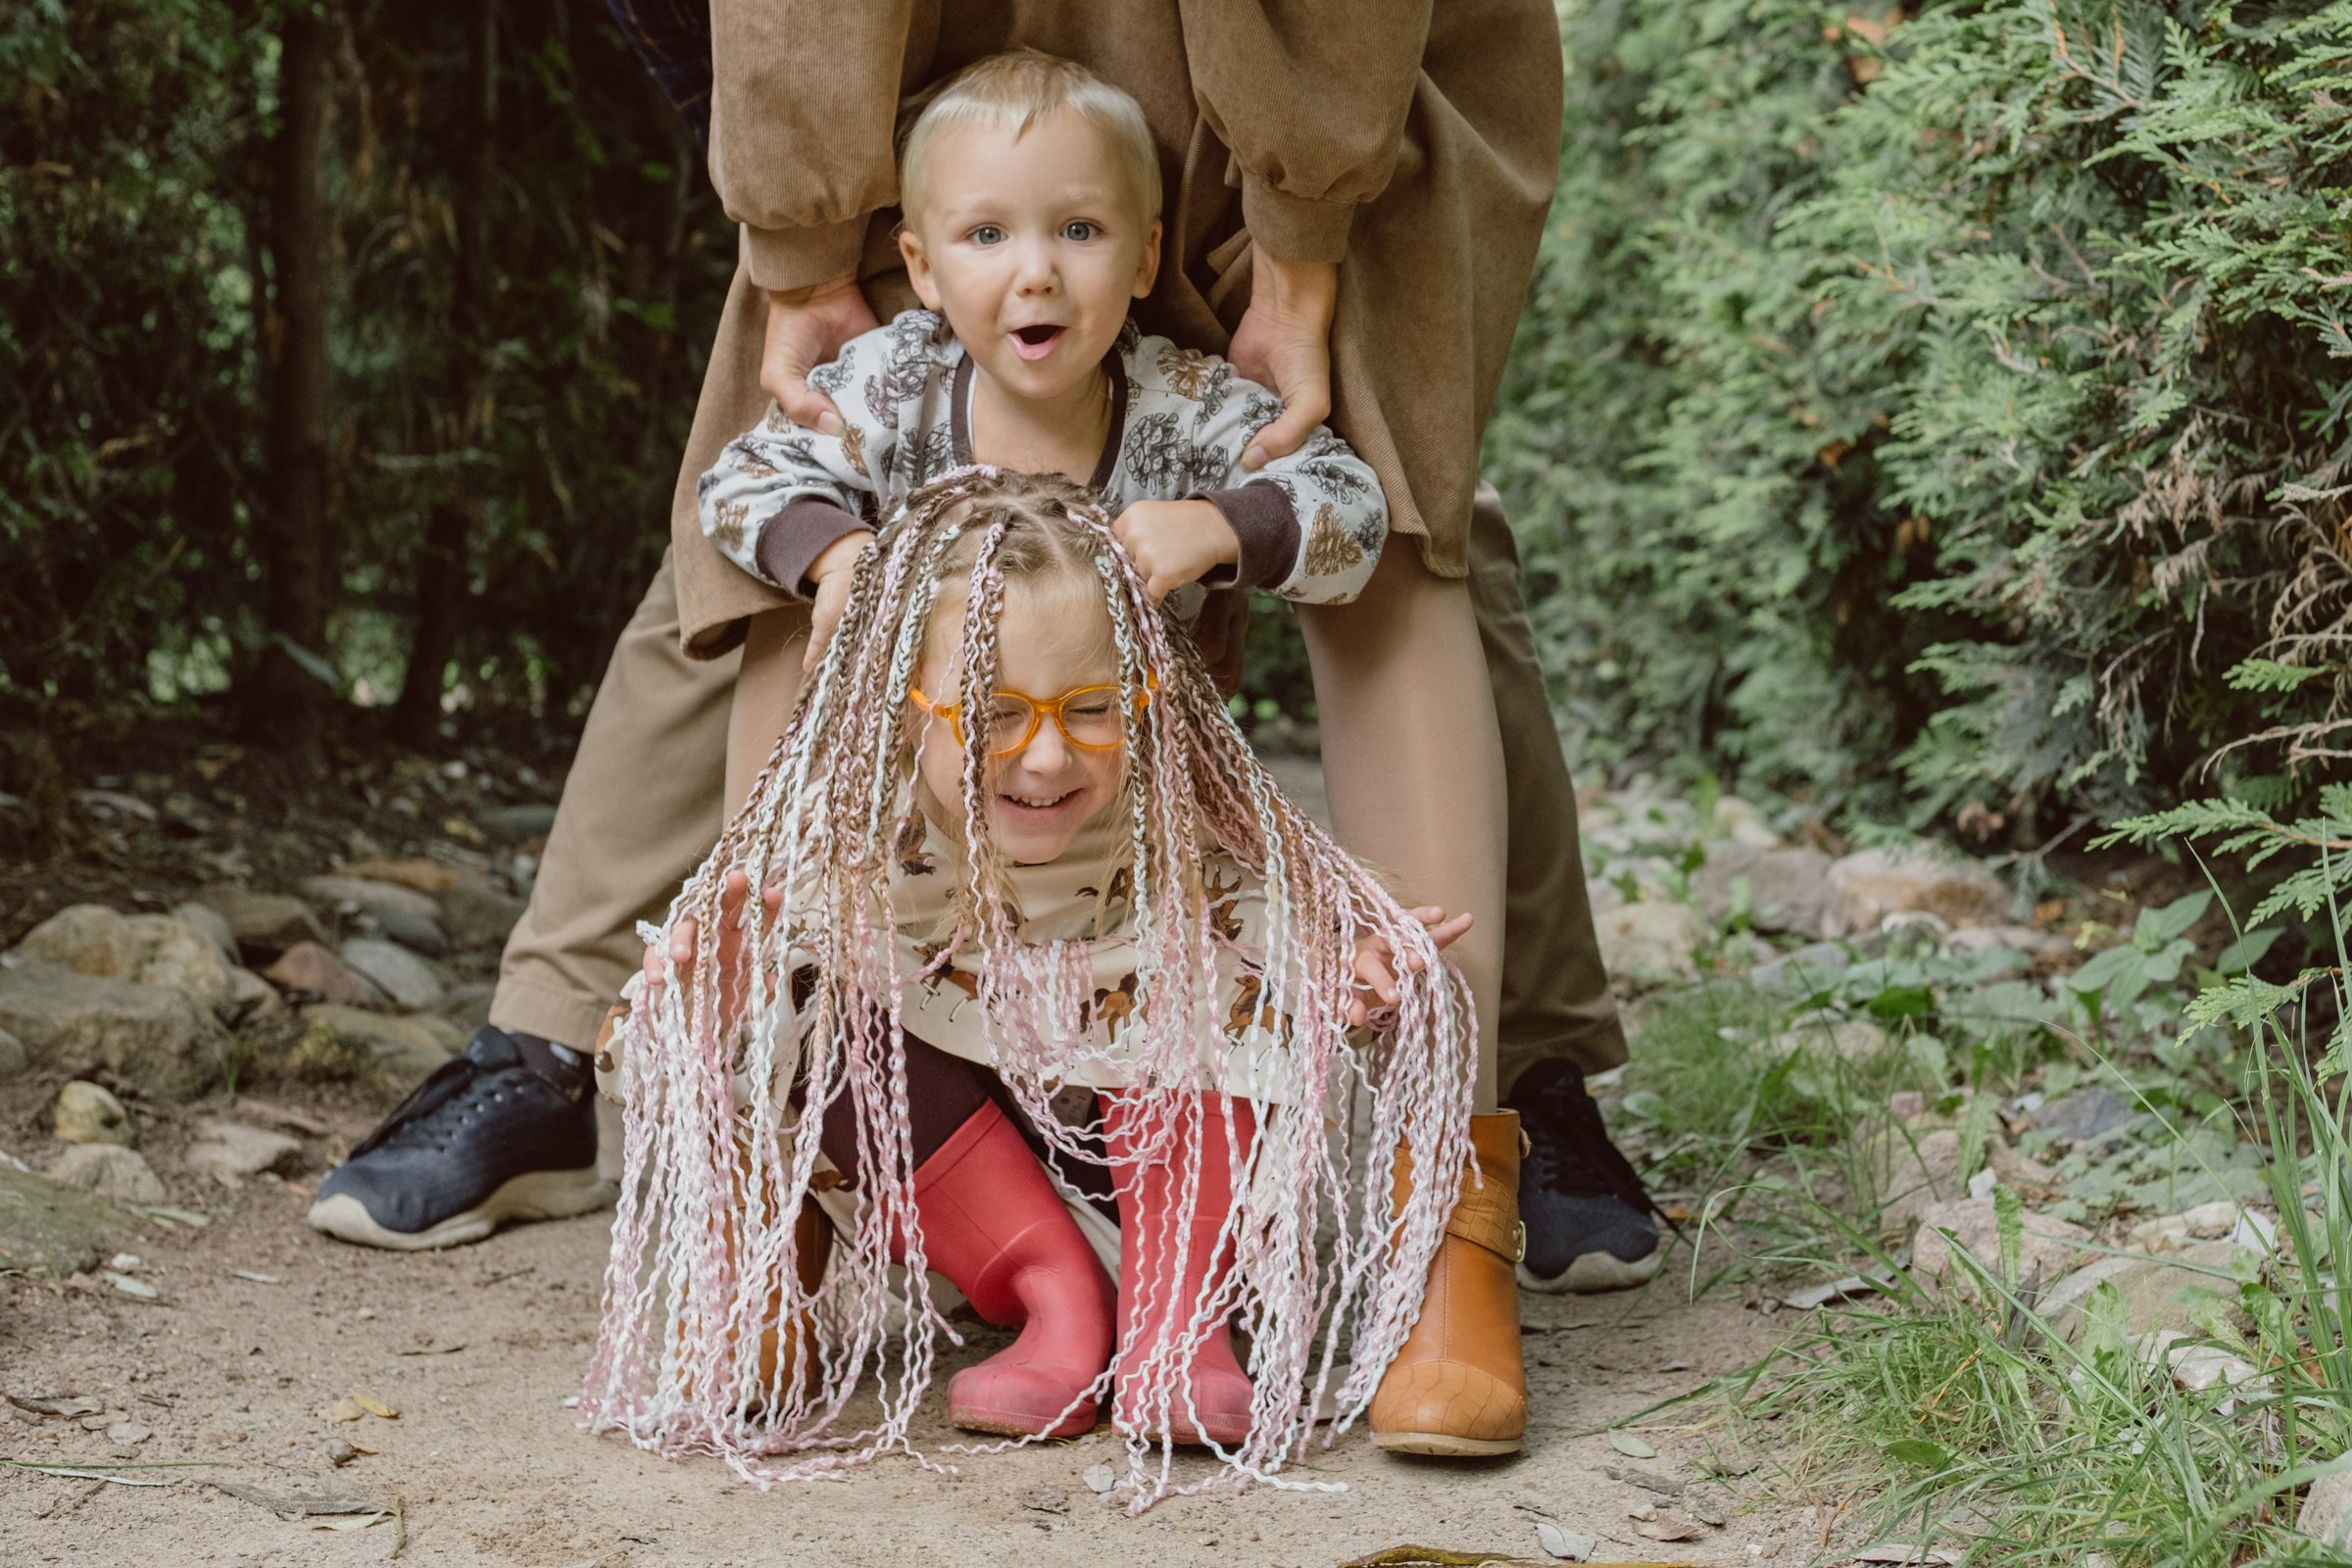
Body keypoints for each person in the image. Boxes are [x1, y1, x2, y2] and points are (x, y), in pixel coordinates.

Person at [311, 0, 1663, 1462]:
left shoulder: (1170, 409)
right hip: (930, 42)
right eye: (982, 253)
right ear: (923, 259)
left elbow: (1337, 507)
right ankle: (745, 1185)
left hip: (1341, 48)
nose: (1034, 279)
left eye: (1084, 245)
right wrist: (802, 242)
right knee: (783, 529)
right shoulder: (902, 379)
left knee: (1397, 494)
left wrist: (1300, 240)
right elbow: (757, 490)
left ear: (1130, 260)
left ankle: (1446, 1190)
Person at [588, 469, 1480, 1499]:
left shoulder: (1188, 835)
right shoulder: (852, 849)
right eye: (992, 711)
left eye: (1092, 707)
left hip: (1174, 1216)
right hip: (984, 1219)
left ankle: (1178, 1330)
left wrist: (1349, 973)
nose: (1047, 753)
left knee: (1252, 932)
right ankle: (1053, 1302)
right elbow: (644, 1054)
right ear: (904, 702)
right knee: (775, 984)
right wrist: (704, 1008)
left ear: (1146, 690)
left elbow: (1305, 964)